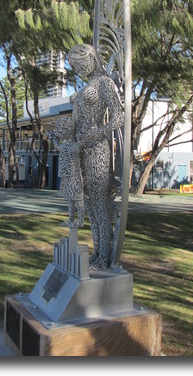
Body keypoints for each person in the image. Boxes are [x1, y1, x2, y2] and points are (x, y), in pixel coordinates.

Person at [68, 43, 124, 270]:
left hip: (98, 148)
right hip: (82, 148)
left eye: (80, 63)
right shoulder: (87, 86)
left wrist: (98, 132)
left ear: (90, 58)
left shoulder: (104, 83)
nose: (78, 69)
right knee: (90, 204)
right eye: (74, 66)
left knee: (99, 204)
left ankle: (104, 257)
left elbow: (119, 116)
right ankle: (97, 252)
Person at [47, 117, 85, 228]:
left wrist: (82, 138)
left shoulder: (73, 146)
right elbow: (59, 147)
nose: (59, 132)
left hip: (74, 177)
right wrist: (53, 137)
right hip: (66, 176)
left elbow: (78, 148)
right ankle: (71, 218)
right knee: (70, 199)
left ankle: (80, 220)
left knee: (78, 199)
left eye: (61, 129)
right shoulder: (66, 145)